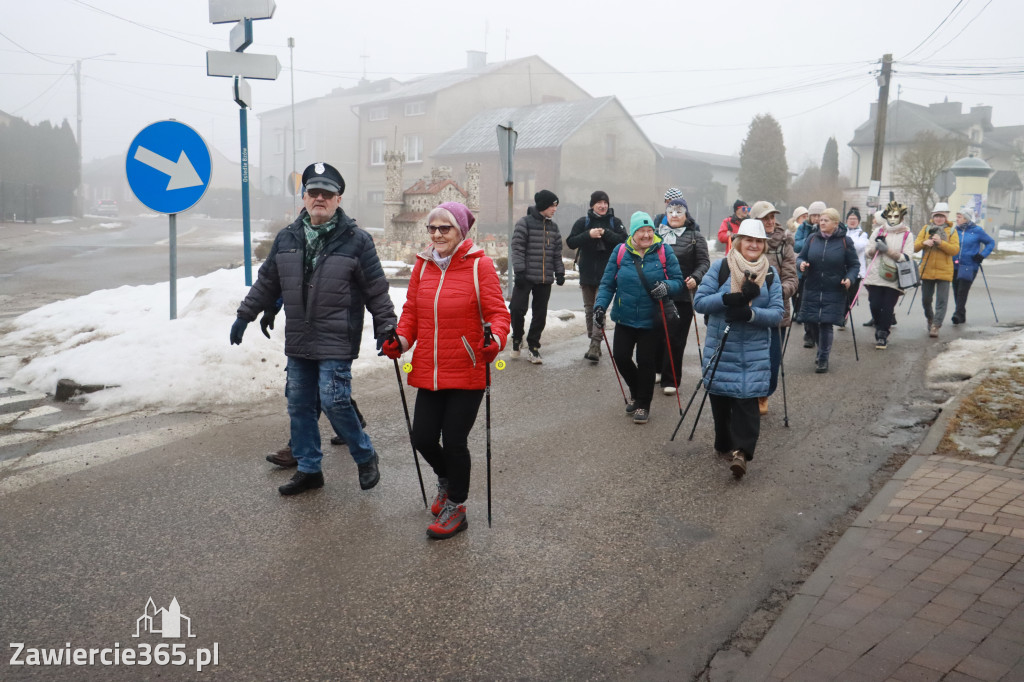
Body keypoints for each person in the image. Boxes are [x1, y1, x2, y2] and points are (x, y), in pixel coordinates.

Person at [230, 162, 396, 495]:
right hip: (299, 338)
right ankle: (309, 469)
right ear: (303, 197)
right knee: (299, 404)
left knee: (334, 401)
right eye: (313, 192)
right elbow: (268, 282)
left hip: (337, 336)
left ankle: (364, 454)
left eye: (327, 193)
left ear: (338, 198)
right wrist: (245, 314)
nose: (319, 198)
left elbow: (375, 290)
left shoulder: (357, 241)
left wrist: (386, 326)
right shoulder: (288, 237)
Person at [381, 202, 510, 539]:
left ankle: (457, 505)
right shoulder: (422, 266)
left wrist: (494, 339)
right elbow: (411, 313)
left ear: (460, 232)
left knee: (454, 440)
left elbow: (499, 314)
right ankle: (447, 479)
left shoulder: (479, 266)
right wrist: (401, 339)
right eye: (432, 228)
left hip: (468, 368)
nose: (437, 234)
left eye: (445, 228)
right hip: (430, 367)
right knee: (421, 437)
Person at [693, 219, 784, 479]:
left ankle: (742, 454)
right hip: (721, 349)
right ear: (738, 242)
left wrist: (750, 314)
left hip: (753, 354)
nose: (753, 245)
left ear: (763, 244)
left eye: (758, 241)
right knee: (721, 404)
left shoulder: (770, 274)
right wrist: (726, 299)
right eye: (748, 240)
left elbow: (777, 313)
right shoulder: (721, 268)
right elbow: (700, 302)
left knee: (746, 402)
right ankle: (725, 443)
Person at [593, 212, 684, 424]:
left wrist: (666, 286)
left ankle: (643, 404)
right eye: (641, 231)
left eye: (650, 230)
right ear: (633, 233)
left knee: (646, 362)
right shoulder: (620, 251)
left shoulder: (664, 251)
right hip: (624, 317)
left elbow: (678, 281)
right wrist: (599, 307)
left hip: (652, 318)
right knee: (621, 357)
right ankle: (636, 389)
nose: (646, 235)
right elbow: (608, 284)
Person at [654, 198, 710, 395]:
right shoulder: (655, 234)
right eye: (671, 211)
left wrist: (696, 277)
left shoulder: (695, 236)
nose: (674, 215)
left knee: (675, 338)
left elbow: (704, 263)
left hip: (682, 296)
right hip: (656, 293)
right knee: (656, 334)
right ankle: (658, 369)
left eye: (679, 211)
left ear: (686, 214)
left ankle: (671, 379)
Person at [795, 208, 860, 373]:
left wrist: (850, 279)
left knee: (825, 324)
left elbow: (854, 265)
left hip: (834, 289)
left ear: (836, 223)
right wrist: (801, 264)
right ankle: (820, 350)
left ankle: (823, 358)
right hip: (812, 286)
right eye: (821, 220)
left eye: (826, 220)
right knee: (812, 322)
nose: (822, 222)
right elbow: (801, 257)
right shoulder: (811, 238)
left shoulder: (845, 241)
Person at [566, 190, 627, 363]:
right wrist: (588, 235)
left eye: (605, 202)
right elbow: (571, 242)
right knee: (589, 309)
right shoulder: (583, 222)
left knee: (599, 309)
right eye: (599, 202)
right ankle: (594, 340)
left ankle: (595, 344)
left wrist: (606, 233)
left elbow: (625, 241)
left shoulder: (615, 222)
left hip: (607, 273)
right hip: (586, 271)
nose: (602, 205)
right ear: (592, 205)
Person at [749, 200, 797, 414]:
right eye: (764, 218)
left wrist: (775, 293)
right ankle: (748, 392)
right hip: (750, 310)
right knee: (749, 355)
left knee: (772, 357)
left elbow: (792, 279)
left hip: (777, 311)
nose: (770, 221)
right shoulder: (745, 243)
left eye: (772, 217)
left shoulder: (785, 244)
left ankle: (763, 394)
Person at [509, 190, 564, 364]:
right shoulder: (524, 223)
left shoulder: (553, 228)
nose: (555, 209)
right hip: (525, 276)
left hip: (544, 278)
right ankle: (517, 337)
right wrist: (519, 271)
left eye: (556, 206)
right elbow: (517, 248)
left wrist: (560, 271)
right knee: (517, 309)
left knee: (540, 315)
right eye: (552, 205)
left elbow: (557, 253)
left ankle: (534, 347)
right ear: (543, 206)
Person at [864, 200, 915, 349]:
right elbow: (868, 252)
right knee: (874, 305)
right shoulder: (878, 231)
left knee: (887, 307)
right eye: (890, 215)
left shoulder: (907, 235)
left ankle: (882, 334)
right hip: (875, 275)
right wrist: (875, 249)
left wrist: (887, 250)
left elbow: (907, 257)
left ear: (901, 217)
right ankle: (879, 326)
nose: (893, 219)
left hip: (894, 276)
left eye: (896, 216)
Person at [914, 202, 960, 337]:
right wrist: (924, 243)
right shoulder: (926, 229)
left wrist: (941, 243)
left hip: (944, 271)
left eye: (941, 216)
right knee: (926, 300)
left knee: (942, 301)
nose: (939, 219)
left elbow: (955, 250)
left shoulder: (952, 231)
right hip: (927, 270)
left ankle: (936, 325)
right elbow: (915, 246)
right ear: (933, 217)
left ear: (946, 218)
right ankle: (930, 318)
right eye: (936, 216)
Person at [951, 205, 995, 326]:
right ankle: (961, 313)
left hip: (969, 265)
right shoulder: (954, 230)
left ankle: (958, 314)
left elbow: (991, 242)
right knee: (956, 290)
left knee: (962, 291)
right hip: (954, 265)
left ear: (966, 218)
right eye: (957, 217)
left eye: (959, 217)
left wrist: (982, 255)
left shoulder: (977, 231)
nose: (957, 219)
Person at [794, 200, 826, 348]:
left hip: (823, 272)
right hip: (806, 270)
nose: (817, 219)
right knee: (806, 303)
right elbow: (797, 246)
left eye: (819, 216)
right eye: (814, 215)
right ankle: (809, 334)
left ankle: (820, 333)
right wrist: (811, 237)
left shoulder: (828, 229)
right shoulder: (803, 227)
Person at [840, 207, 869, 331]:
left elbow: (858, 246)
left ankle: (845, 314)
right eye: (850, 219)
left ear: (859, 221)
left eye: (855, 219)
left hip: (856, 271)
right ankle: (841, 316)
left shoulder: (863, 234)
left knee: (851, 296)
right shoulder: (841, 231)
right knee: (841, 294)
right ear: (846, 220)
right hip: (841, 268)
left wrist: (844, 242)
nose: (852, 221)